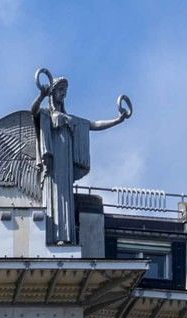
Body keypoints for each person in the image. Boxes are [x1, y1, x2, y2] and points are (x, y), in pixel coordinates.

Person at [30, 69, 131, 245]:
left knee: (66, 199)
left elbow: (94, 124)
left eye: (65, 91)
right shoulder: (46, 114)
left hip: (66, 166)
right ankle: (53, 236)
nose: (63, 93)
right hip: (53, 166)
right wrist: (41, 95)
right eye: (60, 90)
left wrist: (117, 120)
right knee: (54, 196)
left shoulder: (72, 119)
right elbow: (33, 111)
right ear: (52, 92)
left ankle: (65, 237)